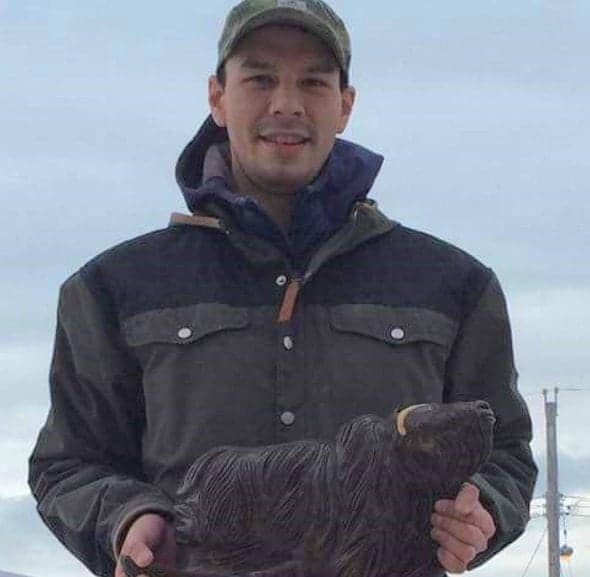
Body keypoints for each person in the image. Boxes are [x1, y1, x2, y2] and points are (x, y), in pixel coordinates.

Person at [28, 1, 538, 577]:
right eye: (260, 78)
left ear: (345, 105)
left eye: (314, 82)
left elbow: (505, 454)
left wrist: (481, 511)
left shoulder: (455, 286)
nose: (287, 104)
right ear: (217, 97)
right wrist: (128, 517)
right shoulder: (110, 289)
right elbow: (66, 465)